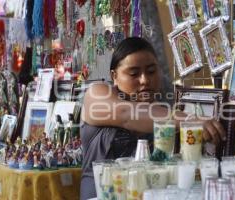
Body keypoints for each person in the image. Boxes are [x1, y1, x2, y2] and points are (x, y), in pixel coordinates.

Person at [80, 37, 226, 200]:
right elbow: (125, 114)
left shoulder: (161, 111)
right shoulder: (97, 94)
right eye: (134, 73)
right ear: (114, 75)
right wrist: (191, 120)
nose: (145, 80)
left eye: (151, 71)